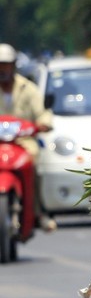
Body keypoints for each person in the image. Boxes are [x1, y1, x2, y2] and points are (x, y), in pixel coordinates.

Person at [0, 43, 56, 231]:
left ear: (14, 65)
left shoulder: (28, 88)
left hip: (22, 142)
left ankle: (38, 211)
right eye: (0, 64)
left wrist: (44, 123)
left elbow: (41, 113)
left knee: (34, 163)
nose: (2, 69)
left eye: (6, 64)